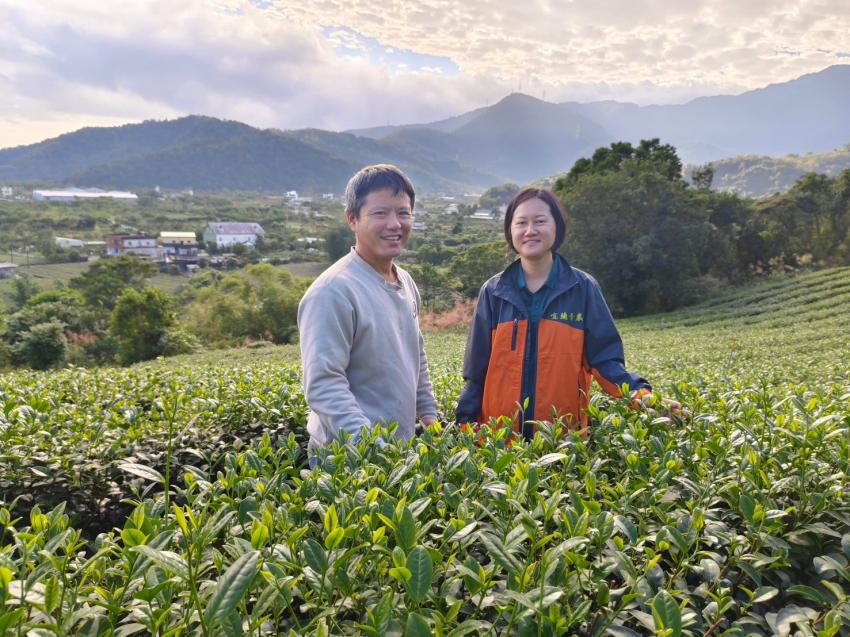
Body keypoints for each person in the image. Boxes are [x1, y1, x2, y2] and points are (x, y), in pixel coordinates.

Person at [455, 186, 665, 440]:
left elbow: (605, 361)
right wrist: (466, 425)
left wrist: (642, 397)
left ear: (557, 227)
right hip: (500, 446)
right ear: (511, 231)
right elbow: (477, 371)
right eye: (521, 222)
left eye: (540, 221)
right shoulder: (494, 291)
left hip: (563, 443)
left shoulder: (582, 288)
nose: (530, 230)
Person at [298, 164, 438, 462]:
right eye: (380, 213)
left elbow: (416, 354)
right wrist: (372, 448)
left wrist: (429, 416)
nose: (394, 224)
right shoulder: (333, 291)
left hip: (396, 454)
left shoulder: (406, 281)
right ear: (353, 219)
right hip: (347, 460)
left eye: (403, 213)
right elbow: (323, 384)